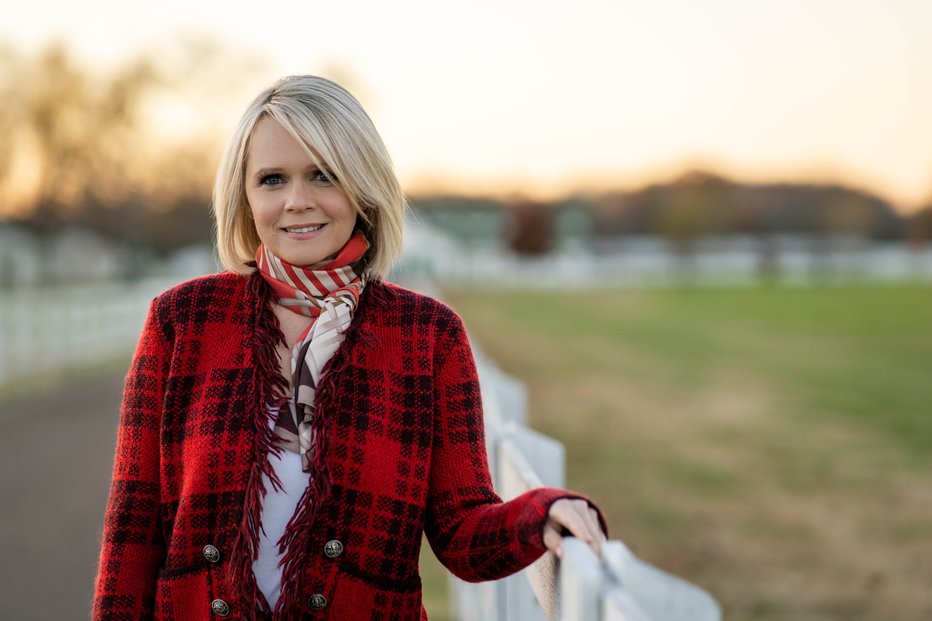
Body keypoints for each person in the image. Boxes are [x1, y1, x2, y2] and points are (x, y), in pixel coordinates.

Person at [93, 75, 606, 621]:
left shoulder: (428, 336)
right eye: (272, 179)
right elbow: (133, 526)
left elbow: (462, 531)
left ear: (363, 185)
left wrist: (542, 515)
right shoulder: (181, 322)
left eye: (322, 174)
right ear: (244, 195)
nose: (297, 201)